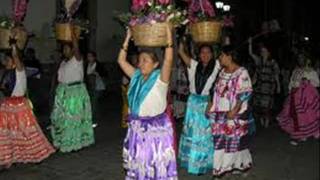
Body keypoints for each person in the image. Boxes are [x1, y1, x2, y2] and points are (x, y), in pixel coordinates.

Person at [118, 26, 177, 179]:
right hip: (137, 127)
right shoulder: (136, 76)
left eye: (146, 61)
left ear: (155, 64)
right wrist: (128, 37)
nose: (141, 64)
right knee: (139, 161)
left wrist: (168, 33)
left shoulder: (160, 79)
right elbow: (121, 61)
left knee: (154, 163)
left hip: (154, 129)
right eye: (140, 60)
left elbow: (169, 58)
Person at [0, 44, 55, 168]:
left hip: (19, 106)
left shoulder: (19, 70)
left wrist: (13, 45)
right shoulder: (8, 74)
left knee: (26, 132)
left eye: (8, 60)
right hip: (8, 106)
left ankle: (36, 154)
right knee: (9, 133)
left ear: (15, 62)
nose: (5, 62)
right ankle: (10, 157)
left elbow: (16, 57)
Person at [208, 45, 253, 176]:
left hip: (234, 113)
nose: (219, 58)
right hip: (220, 112)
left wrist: (235, 109)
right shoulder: (222, 72)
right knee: (220, 140)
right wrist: (210, 105)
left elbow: (245, 93)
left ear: (230, 56)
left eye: (221, 55)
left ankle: (229, 166)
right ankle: (220, 167)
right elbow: (215, 90)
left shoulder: (241, 72)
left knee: (233, 141)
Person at [178, 41, 220, 175]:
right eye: (203, 52)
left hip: (207, 102)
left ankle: (202, 164)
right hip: (193, 103)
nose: (205, 55)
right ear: (199, 55)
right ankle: (191, 160)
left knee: (203, 135)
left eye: (208, 52)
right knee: (191, 133)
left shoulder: (217, 66)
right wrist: (182, 36)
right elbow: (180, 52)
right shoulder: (194, 65)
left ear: (213, 54)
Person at [50, 29, 95, 153]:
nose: (65, 51)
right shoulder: (63, 63)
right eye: (63, 49)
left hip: (75, 93)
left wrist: (72, 33)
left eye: (67, 48)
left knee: (73, 118)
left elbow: (76, 47)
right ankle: (63, 140)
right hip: (63, 92)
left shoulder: (77, 60)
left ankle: (74, 142)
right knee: (60, 118)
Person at [277, 54, 320, 146]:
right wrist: (290, 90)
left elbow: (317, 83)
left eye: (302, 58)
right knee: (296, 117)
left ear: (305, 60)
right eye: (299, 58)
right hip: (295, 97)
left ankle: (311, 132)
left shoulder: (311, 71)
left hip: (307, 99)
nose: (300, 60)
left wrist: (307, 80)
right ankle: (299, 135)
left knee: (309, 117)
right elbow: (292, 82)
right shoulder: (295, 70)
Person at [249, 38, 280, 128]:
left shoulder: (272, 62)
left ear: (268, 52)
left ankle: (267, 120)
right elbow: (251, 54)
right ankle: (262, 119)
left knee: (267, 105)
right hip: (259, 86)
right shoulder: (259, 61)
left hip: (269, 86)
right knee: (259, 104)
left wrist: (278, 85)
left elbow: (276, 74)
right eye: (262, 51)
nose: (263, 53)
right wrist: (250, 44)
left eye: (265, 51)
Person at [85, 51, 105, 128]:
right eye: (88, 56)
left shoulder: (98, 65)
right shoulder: (87, 65)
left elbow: (105, 73)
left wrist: (96, 73)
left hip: (98, 86)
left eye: (90, 56)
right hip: (91, 86)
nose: (89, 58)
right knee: (93, 102)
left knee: (93, 102)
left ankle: (93, 120)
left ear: (94, 57)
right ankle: (95, 117)